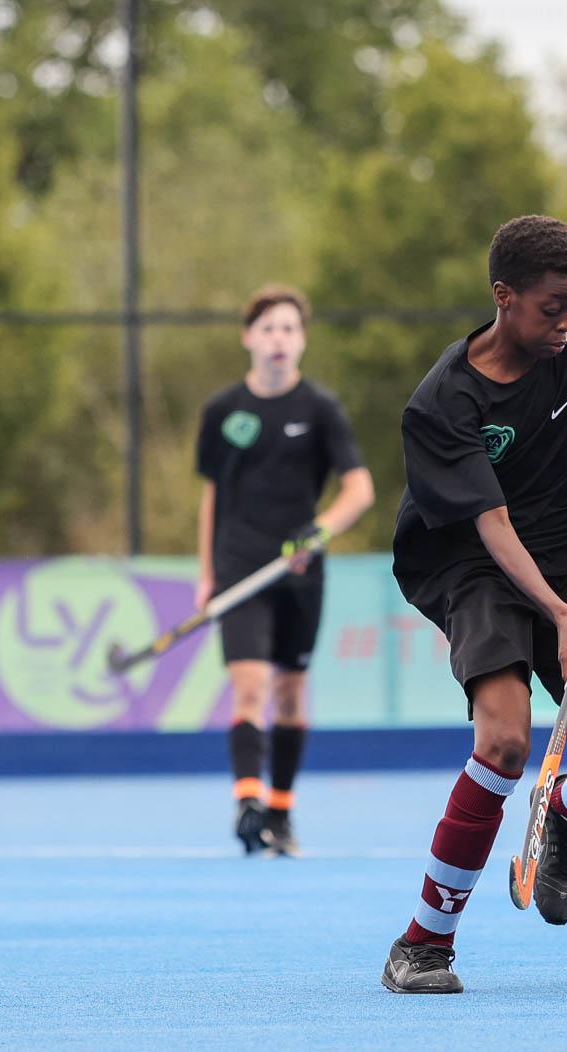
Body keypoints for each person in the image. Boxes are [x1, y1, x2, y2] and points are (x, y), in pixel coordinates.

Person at [380, 215, 567, 994]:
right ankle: (423, 943)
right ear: (504, 298)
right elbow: (491, 525)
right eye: (552, 307)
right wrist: (563, 618)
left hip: (563, 549)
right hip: (471, 564)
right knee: (505, 742)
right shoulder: (442, 402)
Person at [194, 285, 375, 857]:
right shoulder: (223, 412)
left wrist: (318, 532)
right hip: (240, 567)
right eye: (268, 328)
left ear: (302, 340)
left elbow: (360, 488)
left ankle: (280, 813)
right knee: (250, 688)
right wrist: (207, 574)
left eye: (290, 329)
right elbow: (212, 497)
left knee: (293, 696)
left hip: (299, 571)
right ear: (249, 337)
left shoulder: (320, 410)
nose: (279, 339)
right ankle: (247, 801)